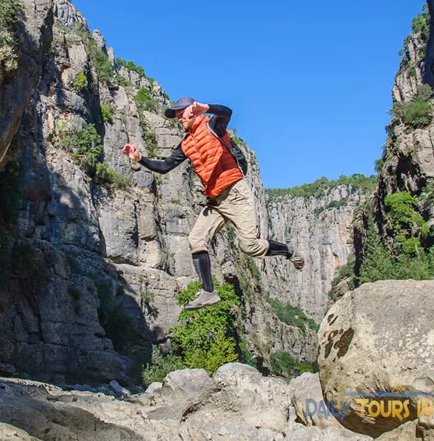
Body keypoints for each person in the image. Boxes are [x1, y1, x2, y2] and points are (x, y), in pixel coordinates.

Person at [121, 97, 304, 310]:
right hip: (215, 201)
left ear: (193, 111)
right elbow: (165, 167)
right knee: (196, 239)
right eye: (177, 116)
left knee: (248, 246)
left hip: (236, 195)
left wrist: (206, 108)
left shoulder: (213, 125)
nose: (179, 119)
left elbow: (227, 112)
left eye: (182, 114)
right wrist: (139, 158)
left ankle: (289, 251)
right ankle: (209, 292)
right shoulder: (186, 143)